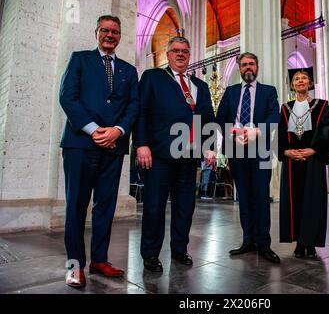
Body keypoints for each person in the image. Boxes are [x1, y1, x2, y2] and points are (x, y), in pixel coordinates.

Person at [59, 15, 139, 287]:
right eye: (105, 30)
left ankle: (99, 260)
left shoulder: (129, 70)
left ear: (120, 36)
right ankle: (74, 266)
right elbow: (67, 98)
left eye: (115, 31)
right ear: (97, 33)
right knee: (76, 207)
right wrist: (94, 129)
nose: (110, 35)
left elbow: (133, 106)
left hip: (114, 147)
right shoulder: (79, 59)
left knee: (106, 206)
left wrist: (118, 130)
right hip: (80, 144)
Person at [133, 37, 216, 272]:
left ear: (189, 56)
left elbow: (207, 119)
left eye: (185, 52)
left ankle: (180, 250)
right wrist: (141, 144)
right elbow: (141, 112)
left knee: (185, 207)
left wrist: (209, 146)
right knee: (154, 207)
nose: (180, 54)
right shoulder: (153, 77)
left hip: (189, 157)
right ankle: (150, 254)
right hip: (159, 154)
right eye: (176, 51)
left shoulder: (201, 86)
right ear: (168, 54)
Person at [216, 52, 281, 263]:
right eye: (244, 65)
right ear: (239, 69)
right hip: (236, 149)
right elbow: (220, 118)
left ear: (257, 67)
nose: (248, 68)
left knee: (261, 196)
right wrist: (232, 132)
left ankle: (264, 244)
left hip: (260, 148)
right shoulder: (231, 91)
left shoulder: (268, 91)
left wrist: (258, 131)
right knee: (243, 196)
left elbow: (274, 115)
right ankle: (248, 241)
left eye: (251, 64)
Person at [278, 67, 329, 258]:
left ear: (310, 83)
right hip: (292, 161)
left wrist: (314, 150)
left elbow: (327, 132)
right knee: (294, 201)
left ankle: (311, 243)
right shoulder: (285, 108)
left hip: (313, 160)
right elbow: (281, 133)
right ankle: (299, 242)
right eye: (297, 79)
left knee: (313, 201)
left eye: (304, 78)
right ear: (292, 85)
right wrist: (286, 151)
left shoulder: (322, 105)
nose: (300, 81)